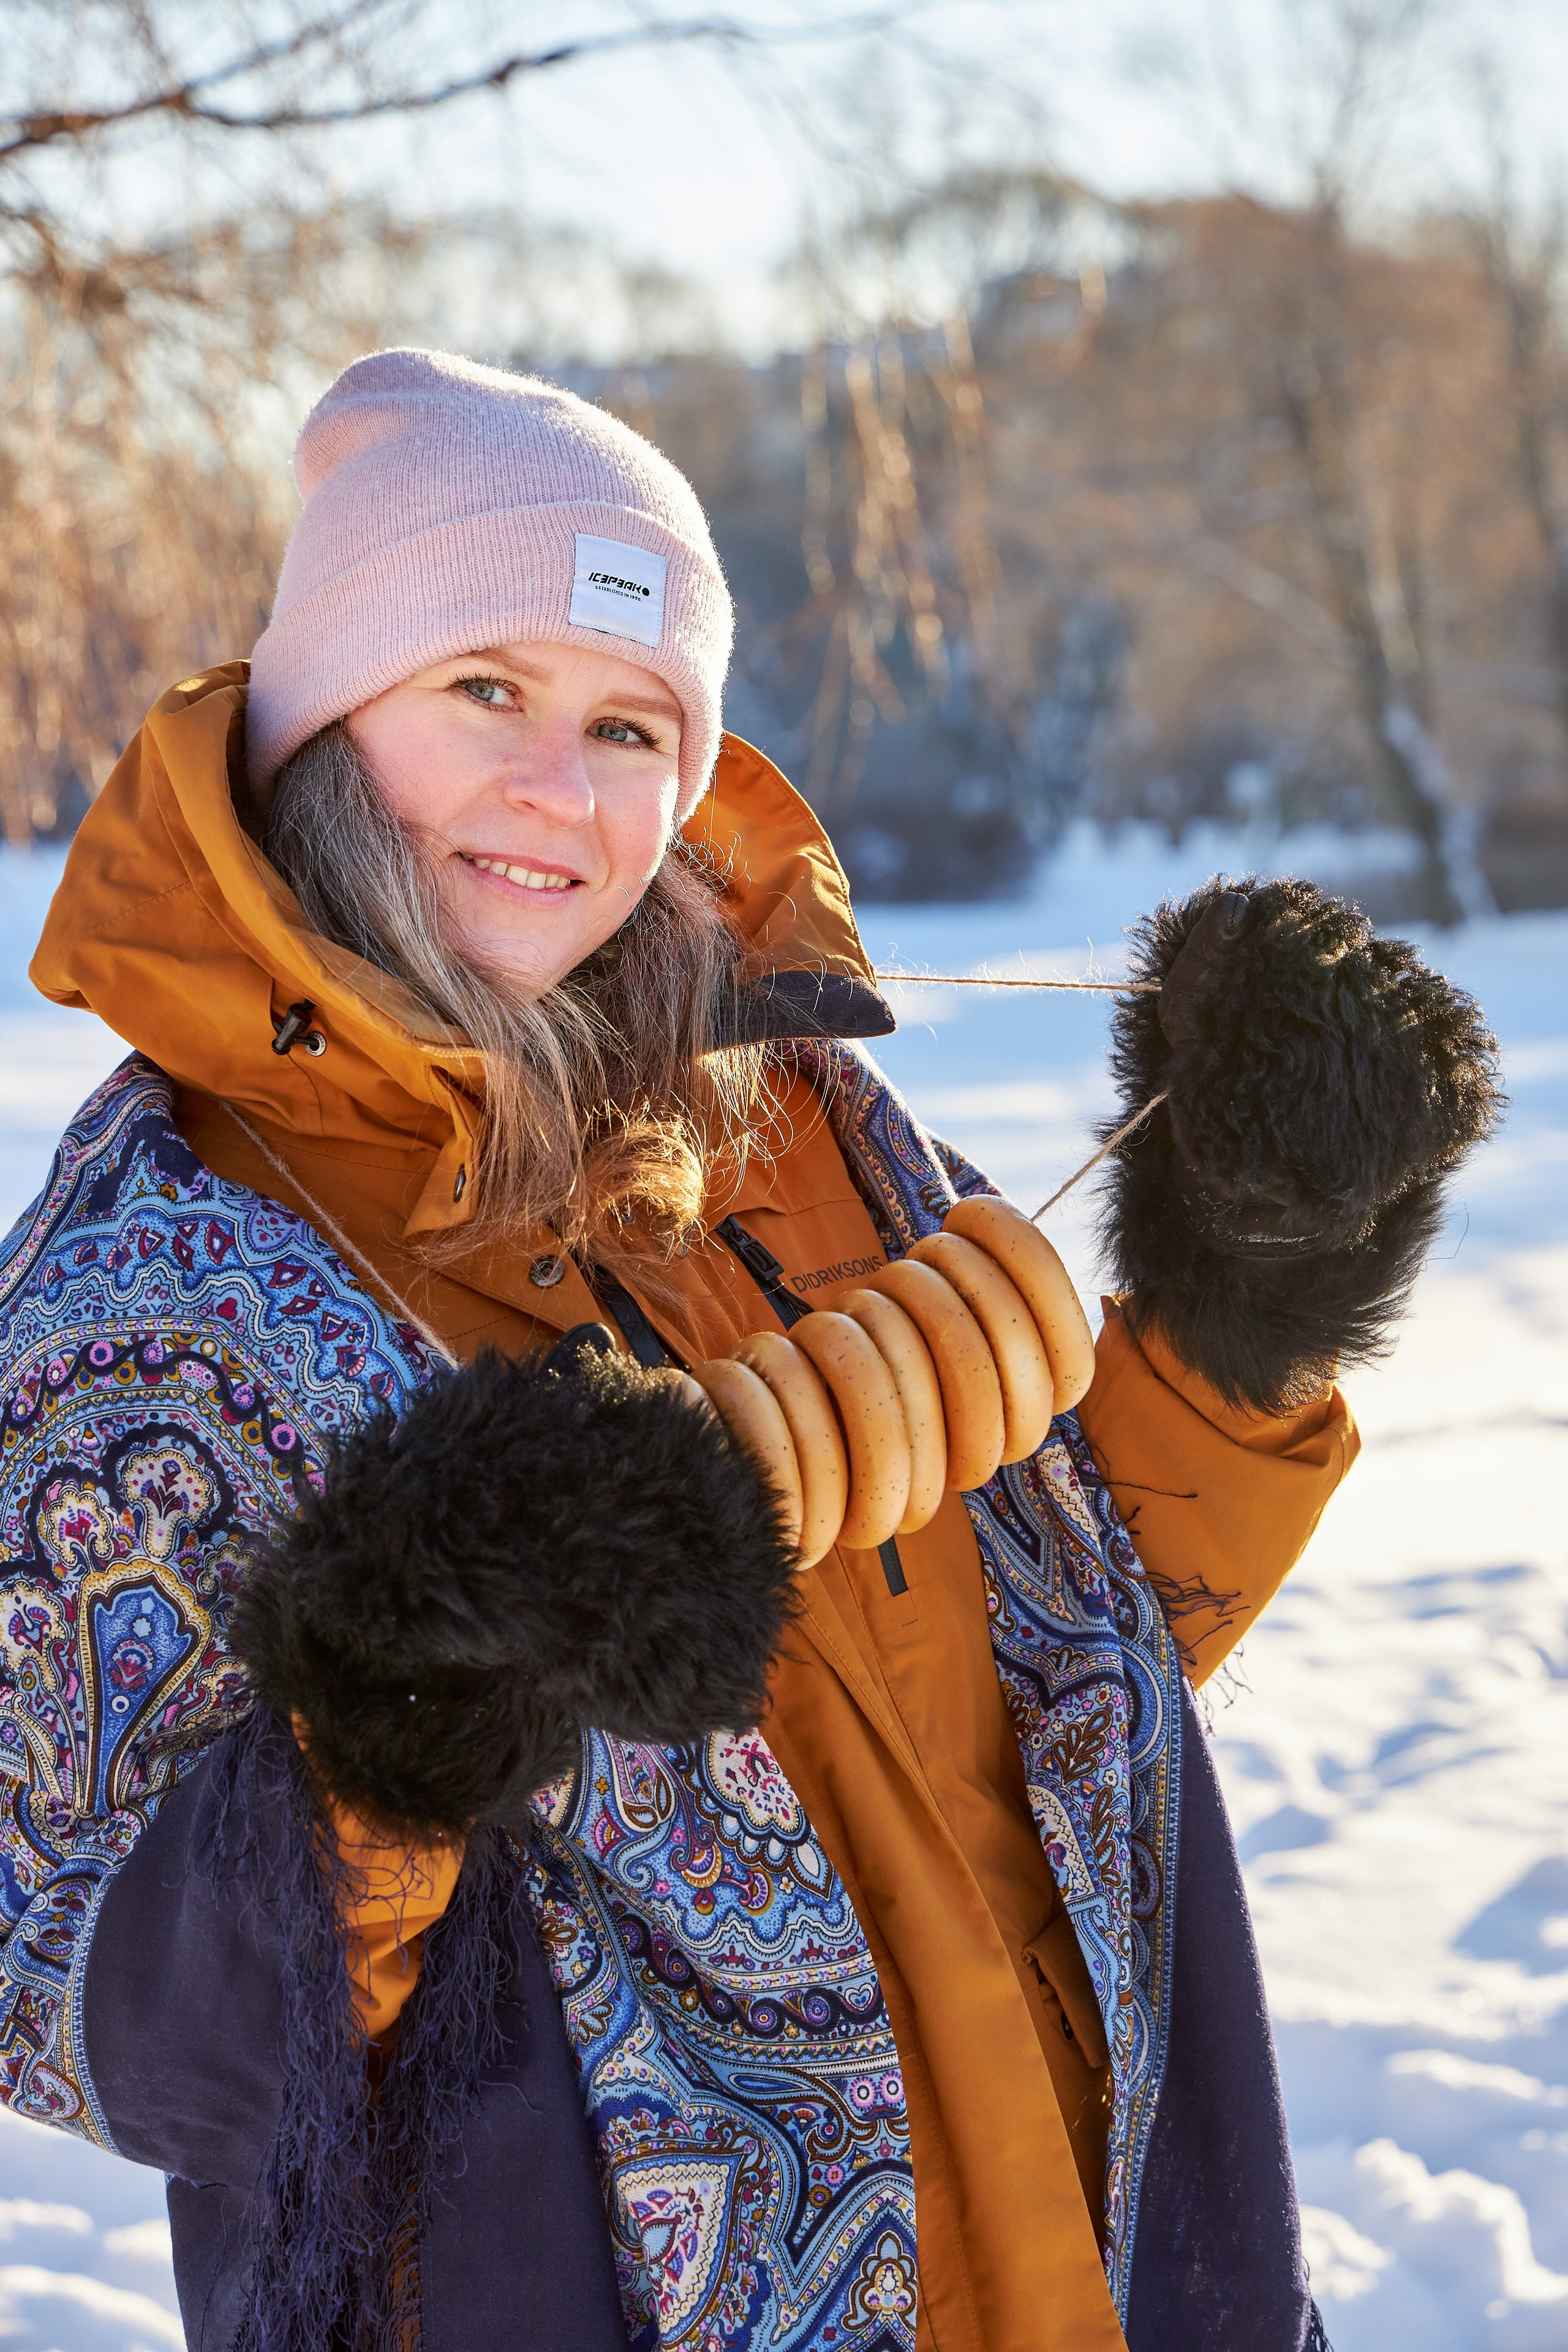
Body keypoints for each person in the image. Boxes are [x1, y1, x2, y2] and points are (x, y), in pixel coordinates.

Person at [1, 348, 1496, 2352]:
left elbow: (1054, 1678)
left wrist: (1251, 1301)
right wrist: (390, 1725)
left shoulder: (788, 1134)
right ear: (321, 716)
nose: (564, 789)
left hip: (1104, 2263)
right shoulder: (153, 1296)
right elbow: (100, 2017)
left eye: (632, 723)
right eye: (484, 690)